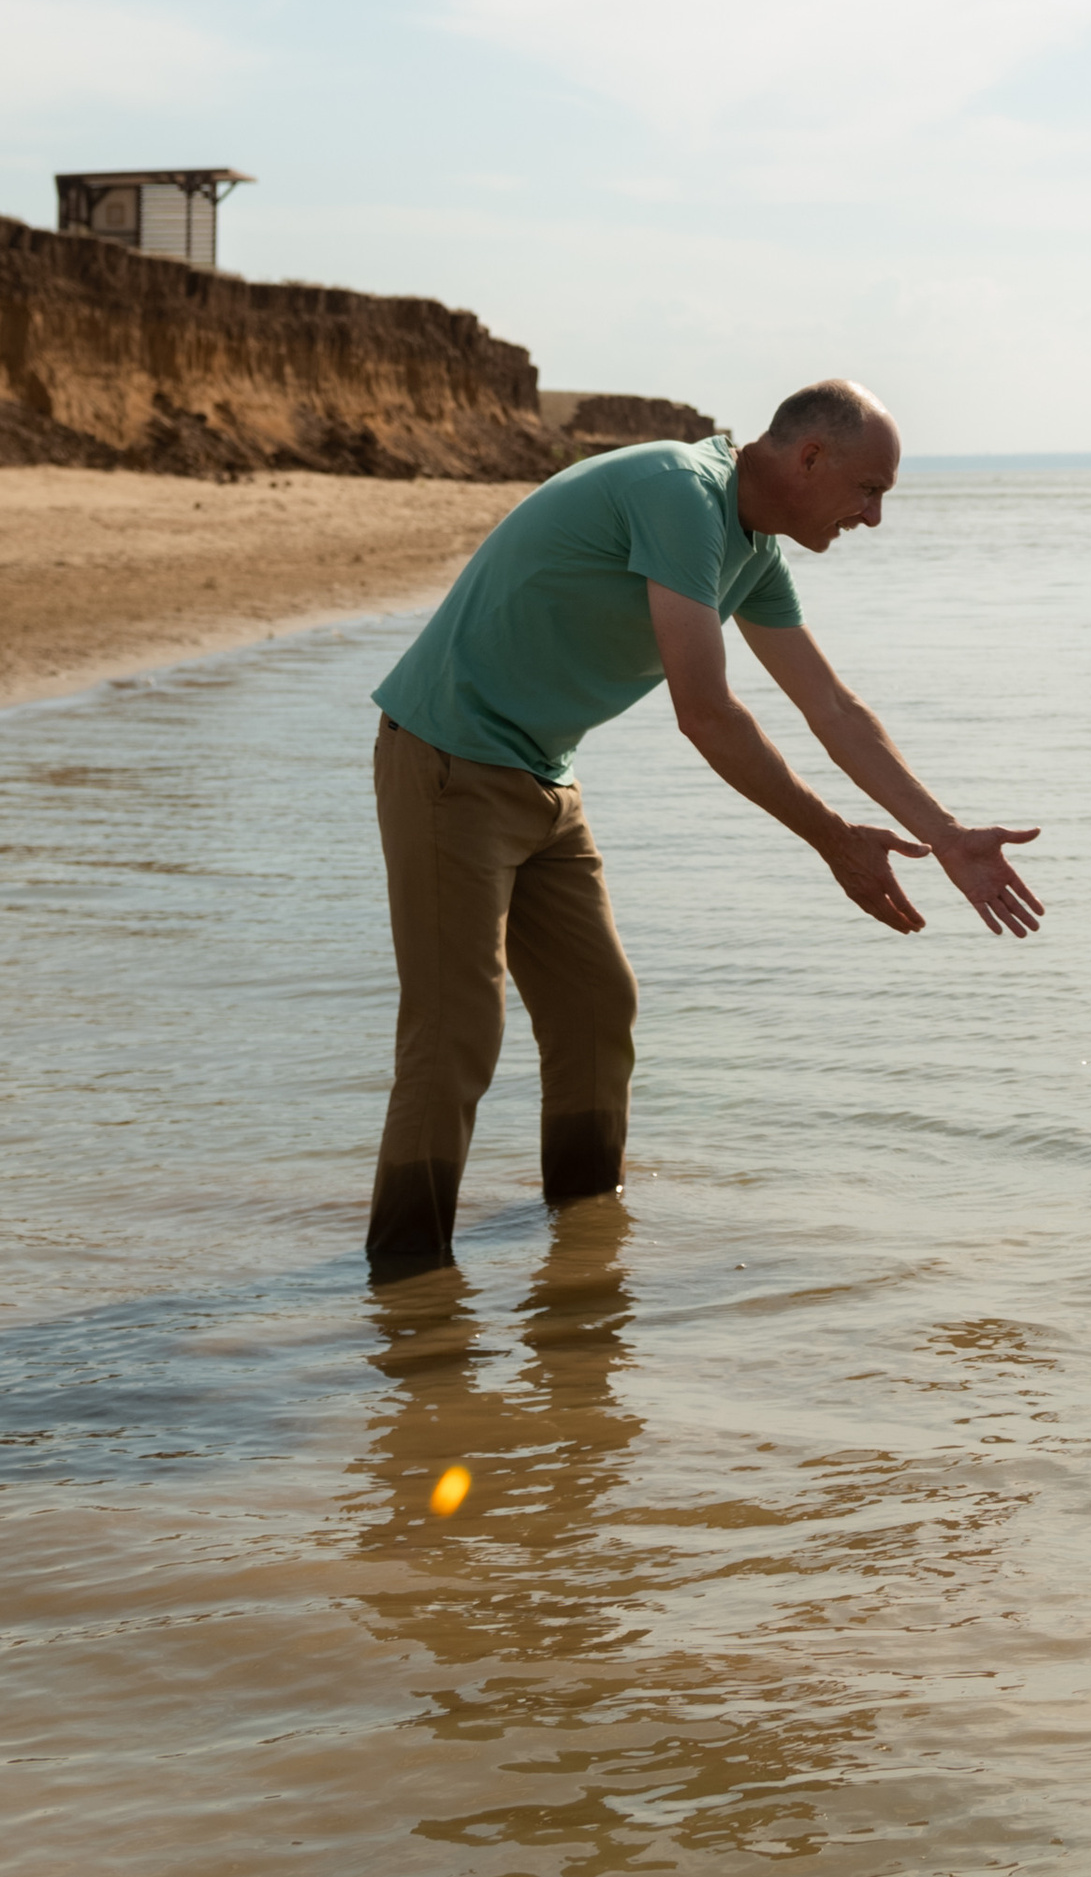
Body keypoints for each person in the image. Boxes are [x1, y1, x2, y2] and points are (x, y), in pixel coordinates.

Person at [362, 377, 1041, 1281]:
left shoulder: (752, 551)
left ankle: (582, 1249)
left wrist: (945, 833)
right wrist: (834, 840)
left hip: (540, 776)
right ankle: (407, 1291)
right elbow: (708, 714)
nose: (873, 517)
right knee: (455, 1033)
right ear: (809, 458)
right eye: (870, 489)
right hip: (446, 763)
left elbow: (833, 707)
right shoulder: (681, 494)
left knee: (599, 1012)